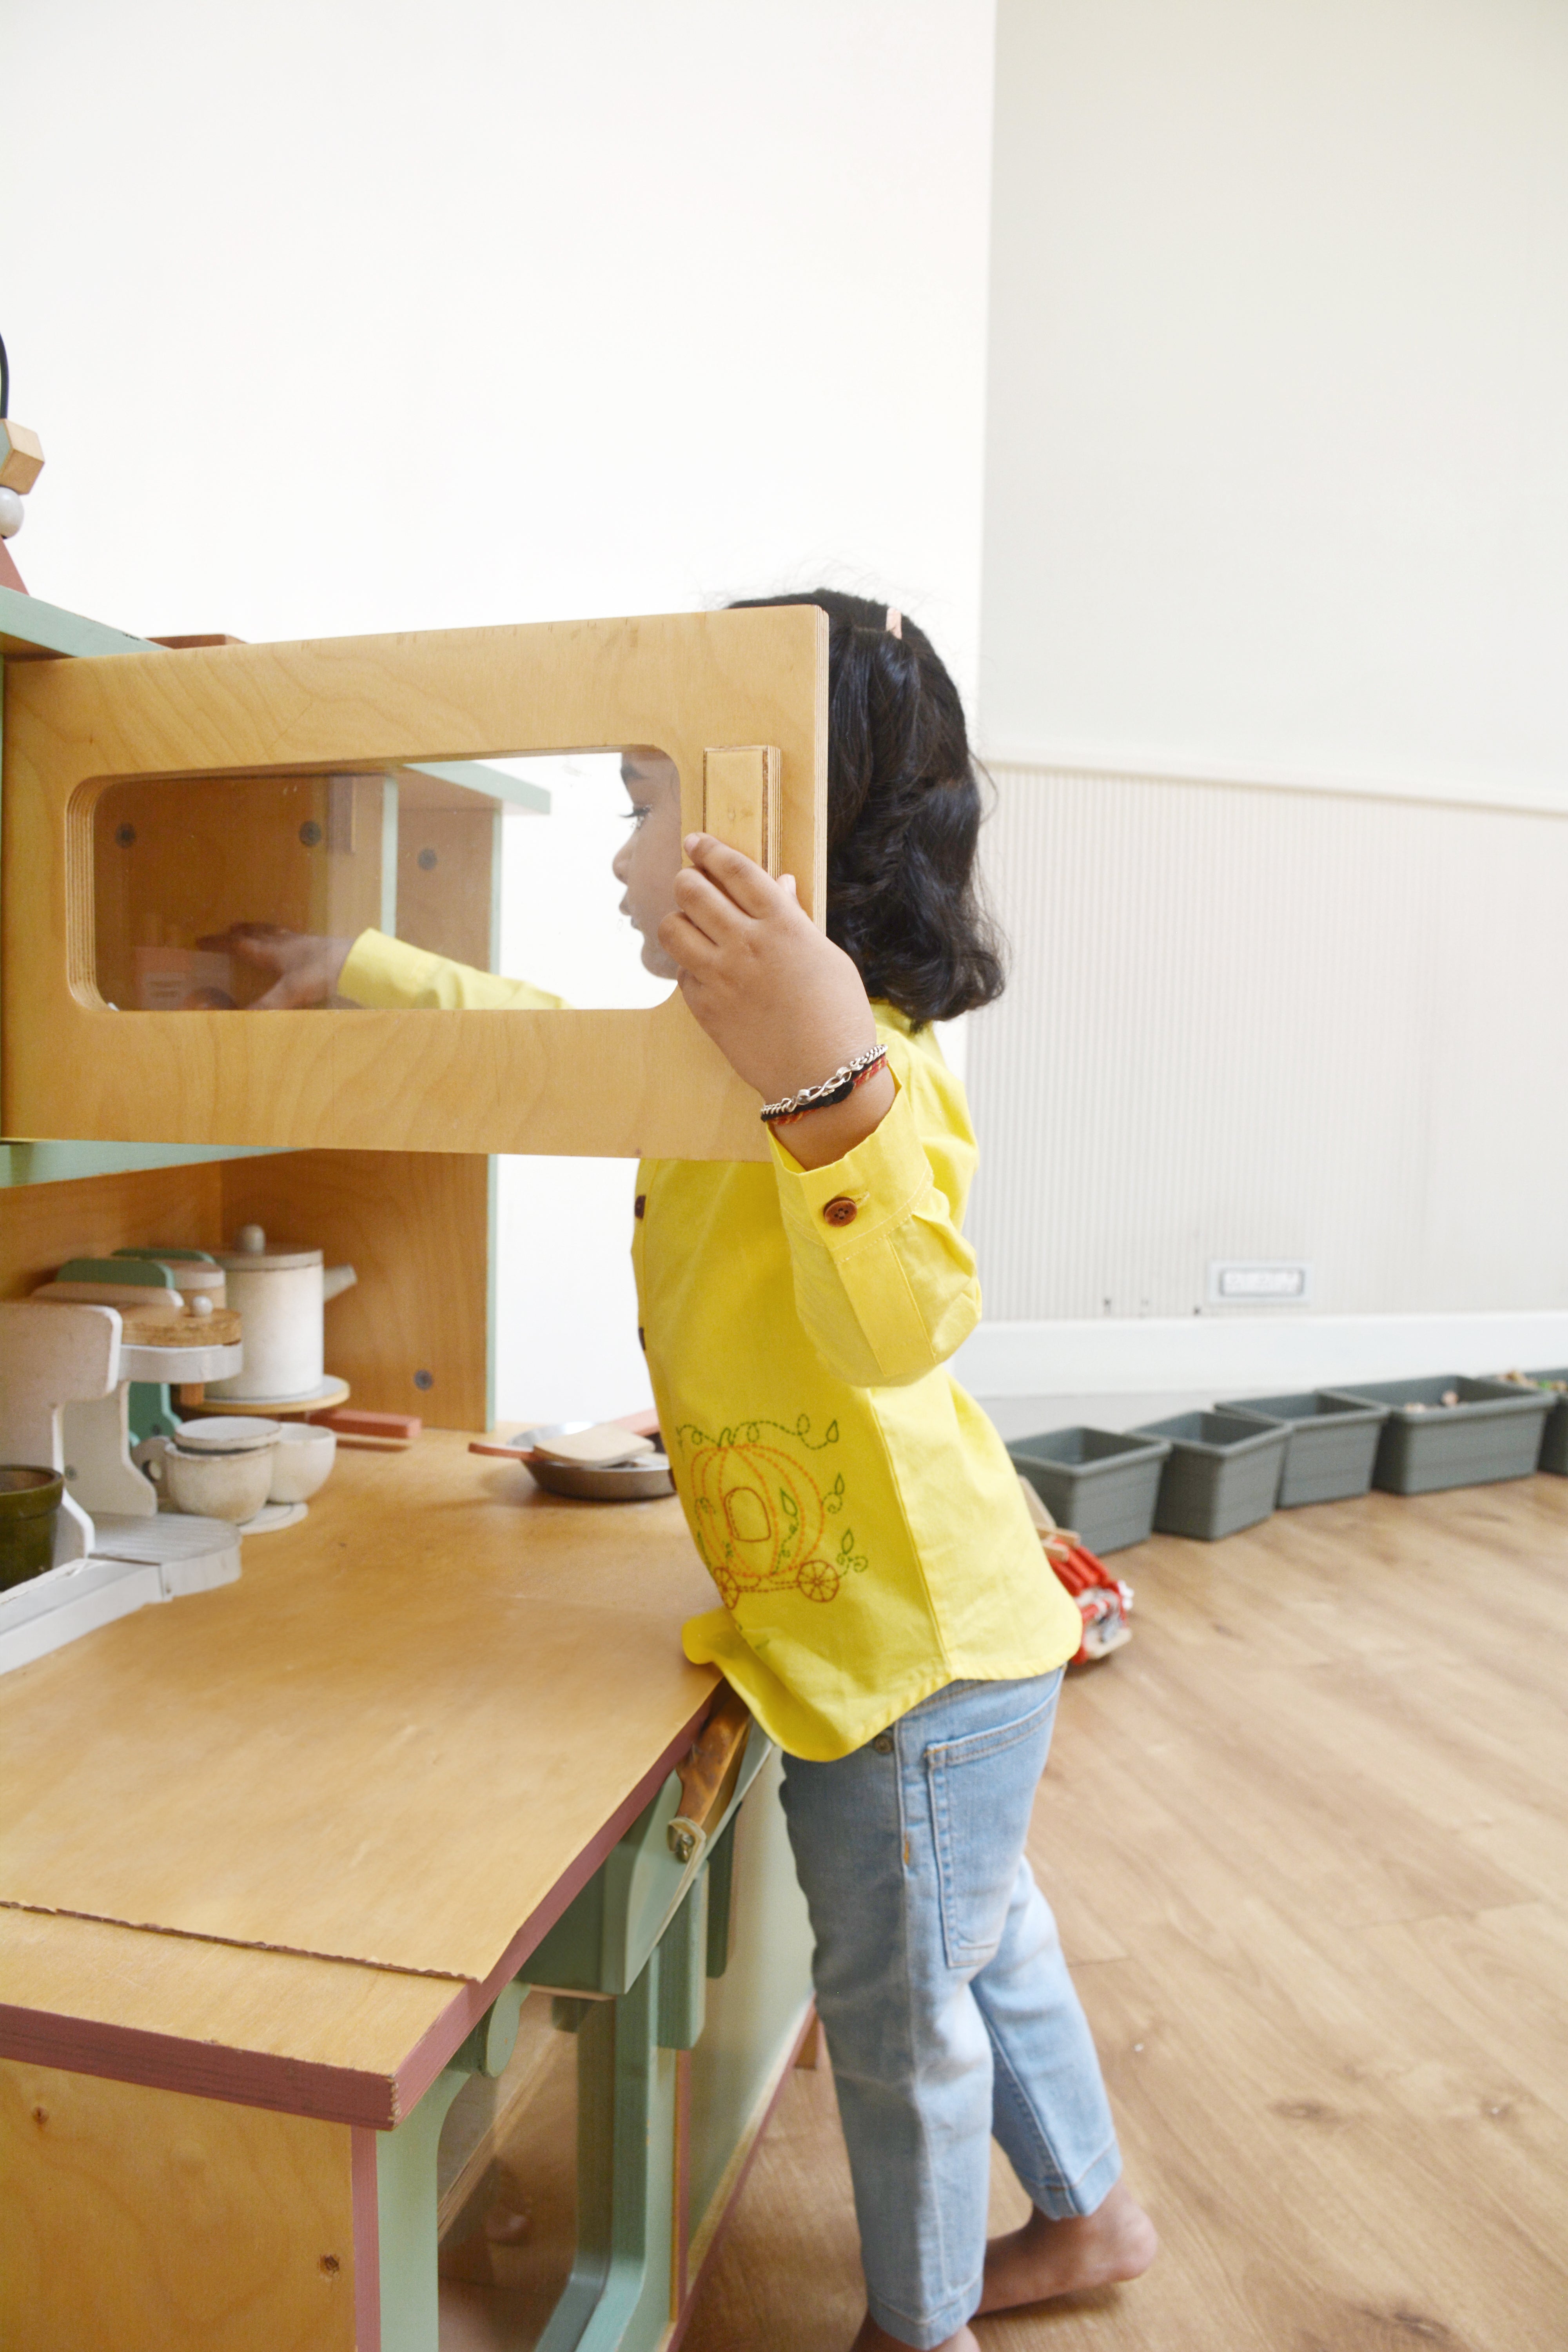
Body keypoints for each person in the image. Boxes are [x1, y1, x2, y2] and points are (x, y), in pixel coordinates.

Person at [212, 590, 1156, 2351]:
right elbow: (545, 1052)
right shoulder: (715, 1054)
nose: (622, 850)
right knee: (983, 1943)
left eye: (645, 799)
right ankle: (1093, 2216)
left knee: (903, 2011)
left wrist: (825, 1082)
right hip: (884, 1632)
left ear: (775, 833)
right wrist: (361, 972)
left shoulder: (864, 1056)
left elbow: (908, 1322)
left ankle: (921, 2321)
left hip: (911, 1656)